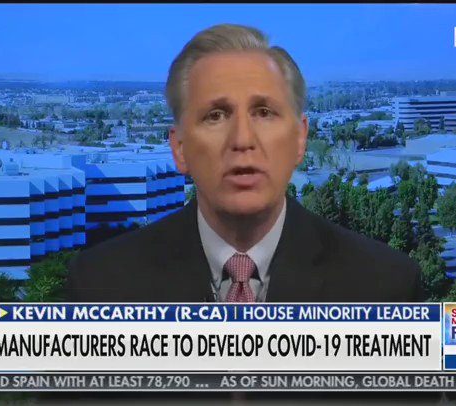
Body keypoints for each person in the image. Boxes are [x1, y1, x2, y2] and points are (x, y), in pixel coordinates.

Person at [65, 24, 423, 303]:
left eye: (264, 112)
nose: (242, 139)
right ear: (180, 148)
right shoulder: (100, 286)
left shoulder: (385, 285)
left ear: (300, 139)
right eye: (215, 115)